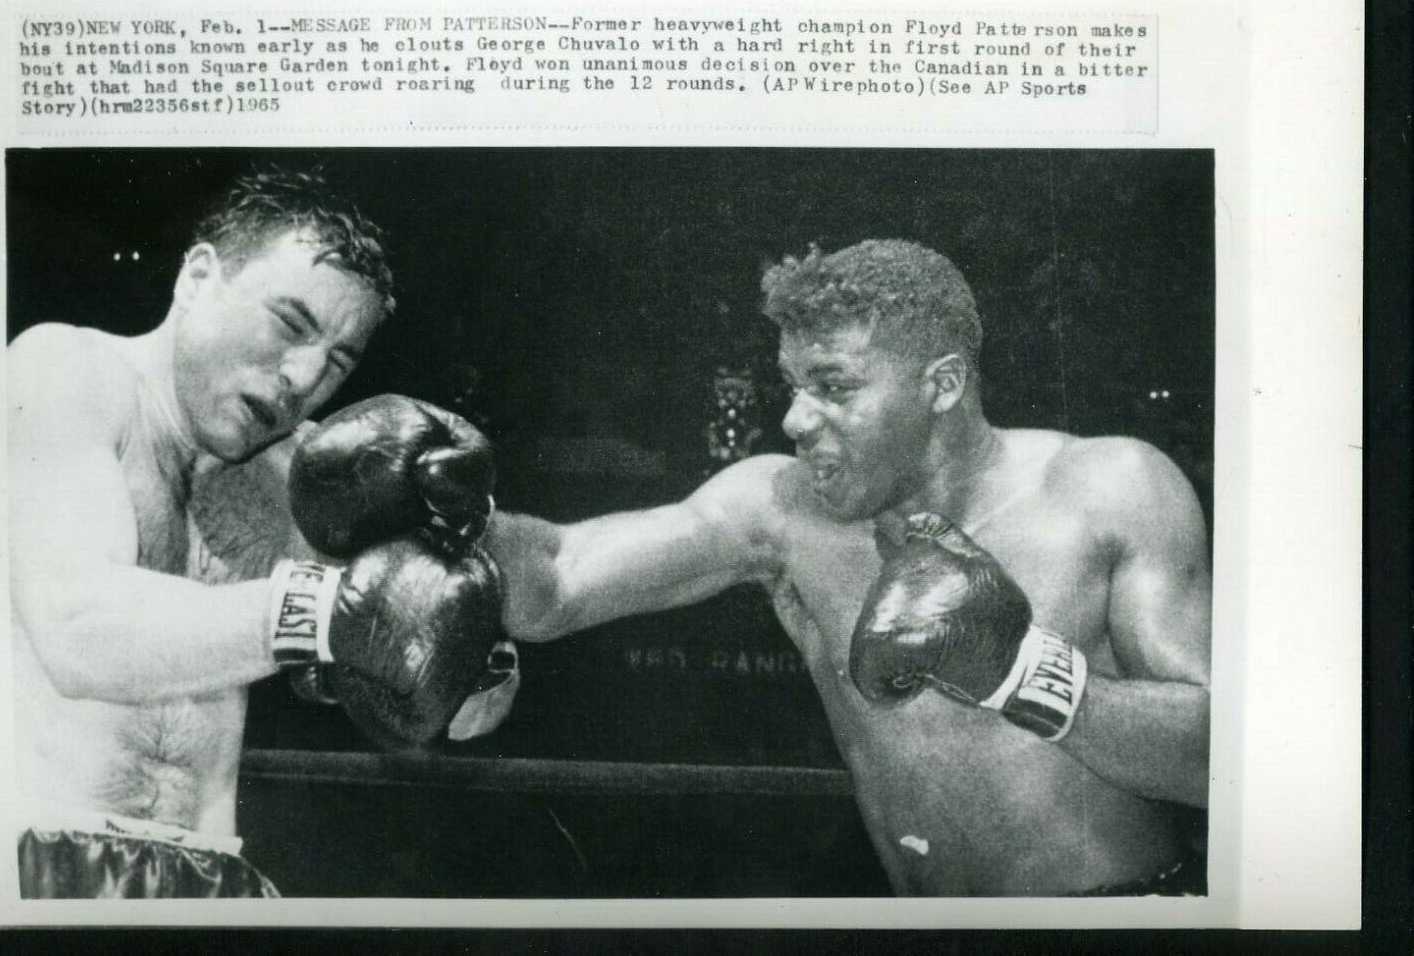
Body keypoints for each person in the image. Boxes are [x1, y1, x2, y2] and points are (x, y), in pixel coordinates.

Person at [473, 239, 1212, 897]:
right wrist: (462, 510)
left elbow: (1222, 762)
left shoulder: (1107, 487)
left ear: (942, 384)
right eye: (792, 386)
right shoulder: (783, 510)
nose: (795, 418)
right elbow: (556, 583)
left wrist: (1022, 672)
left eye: (833, 386)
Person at [8, 169, 510, 900]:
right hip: (37, 863)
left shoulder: (296, 476)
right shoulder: (67, 371)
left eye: (338, 361)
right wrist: (331, 612)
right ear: (198, 276)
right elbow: (78, 630)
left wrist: (466, 646)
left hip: (210, 877)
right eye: (290, 323)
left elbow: (458, 716)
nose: (303, 377)